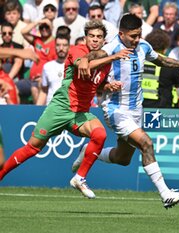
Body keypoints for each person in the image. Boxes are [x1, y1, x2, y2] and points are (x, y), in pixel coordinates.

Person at [72, 14, 179, 208]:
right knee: (146, 143)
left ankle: (88, 151)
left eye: (139, 35)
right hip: (115, 109)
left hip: (136, 110)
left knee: (123, 158)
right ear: (121, 34)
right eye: (133, 36)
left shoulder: (143, 46)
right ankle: (166, 194)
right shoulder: (111, 47)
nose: (136, 39)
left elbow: (162, 60)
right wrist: (85, 60)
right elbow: (92, 56)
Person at [0, 20, 132, 199]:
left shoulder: (104, 60)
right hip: (60, 108)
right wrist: (114, 57)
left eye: (99, 37)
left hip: (81, 113)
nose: (95, 40)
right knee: (32, 148)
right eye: (91, 36)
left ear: (103, 41)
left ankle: (80, 177)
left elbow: (95, 83)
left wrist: (108, 86)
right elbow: (84, 67)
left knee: (100, 134)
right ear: (85, 38)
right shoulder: (78, 50)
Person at [142, 29, 179, 108]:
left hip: (139, 106)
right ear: (165, 48)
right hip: (162, 109)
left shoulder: (140, 61)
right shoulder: (170, 64)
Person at [21, 18, 57, 104]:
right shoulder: (37, 41)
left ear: (51, 28)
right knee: (12, 87)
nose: (44, 29)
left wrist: (43, 76)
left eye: (46, 27)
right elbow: (23, 32)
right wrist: (37, 22)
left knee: (35, 89)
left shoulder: (56, 43)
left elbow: (55, 65)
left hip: (44, 78)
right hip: (31, 78)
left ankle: (39, 115)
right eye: (41, 27)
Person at [36, 34, 70, 105]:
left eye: (64, 45)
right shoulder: (47, 66)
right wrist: (37, 108)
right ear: (55, 47)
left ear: (69, 47)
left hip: (68, 108)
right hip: (51, 107)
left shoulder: (73, 66)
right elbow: (44, 91)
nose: (61, 48)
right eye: (58, 45)